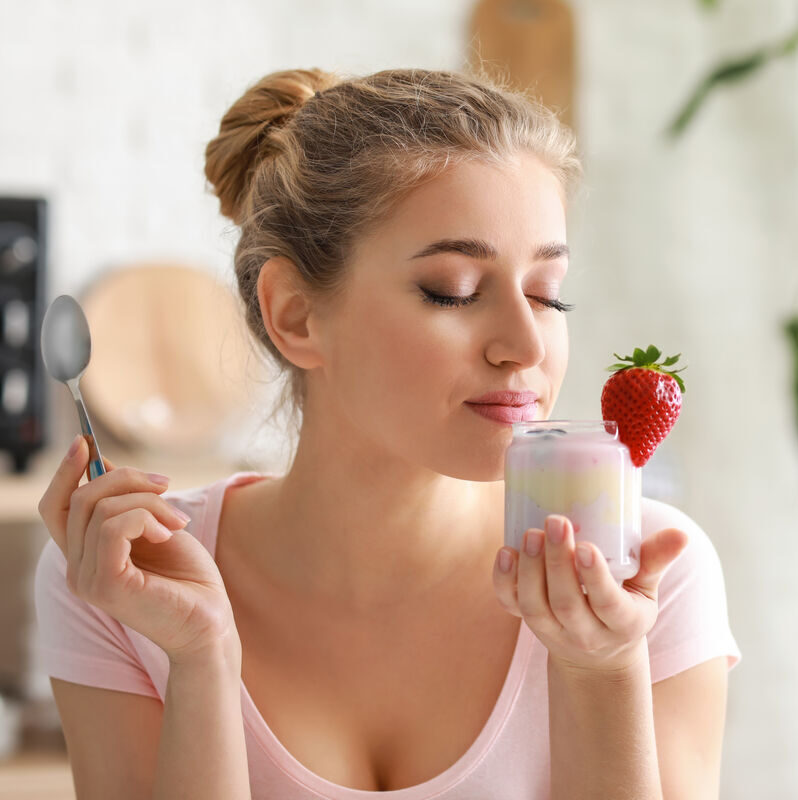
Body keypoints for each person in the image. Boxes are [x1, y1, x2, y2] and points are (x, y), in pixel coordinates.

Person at [34, 67, 741, 800]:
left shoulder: (648, 574)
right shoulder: (131, 578)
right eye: (455, 292)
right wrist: (201, 656)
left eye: (547, 295)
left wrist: (603, 669)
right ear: (297, 316)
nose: (526, 347)